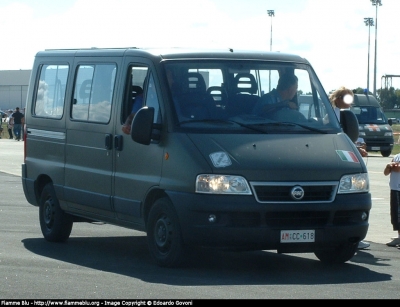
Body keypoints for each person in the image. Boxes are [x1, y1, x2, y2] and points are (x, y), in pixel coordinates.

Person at [329, 87, 370, 250]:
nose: (350, 103)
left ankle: (353, 236)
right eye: (347, 99)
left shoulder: (346, 115)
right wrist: (354, 149)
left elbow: (351, 136)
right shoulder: (334, 115)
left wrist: (356, 146)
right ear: (338, 99)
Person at [383, 154, 400, 247]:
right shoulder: (397, 157)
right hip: (395, 189)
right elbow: (385, 173)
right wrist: (388, 166)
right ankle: (399, 236)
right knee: (396, 214)